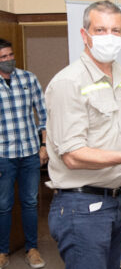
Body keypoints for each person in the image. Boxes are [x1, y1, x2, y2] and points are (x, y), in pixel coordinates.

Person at [45, 0, 121, 269]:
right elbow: (73, 156)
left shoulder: (120, 77)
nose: (109, 37)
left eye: (116, 30)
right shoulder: (69, 82)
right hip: (81, 207)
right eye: (100, 30)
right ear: (84, 35)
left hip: (115, 201)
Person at [0, 38, 48, 269]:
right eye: (3, 57)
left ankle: (32, 249)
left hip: (30, 152)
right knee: (3, 205)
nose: (9, 60)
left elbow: (43, 112)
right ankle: (2, 252)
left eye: (10, 55)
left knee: (30, 202)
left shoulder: (28, 78)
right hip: (3, 155)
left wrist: (44, 145)